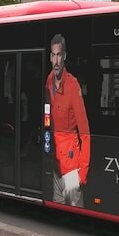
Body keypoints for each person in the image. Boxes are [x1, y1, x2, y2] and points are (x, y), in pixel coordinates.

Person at [45, 34, 90, 207]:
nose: (56, 60)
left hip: (71, 170)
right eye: (53, 55)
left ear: (65, 56)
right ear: (50, 57)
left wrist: (82, 174)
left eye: (59, 55)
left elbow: (85, 132)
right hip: (55, 166)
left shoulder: (73, 86)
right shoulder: (48, 82)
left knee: (76, 214)